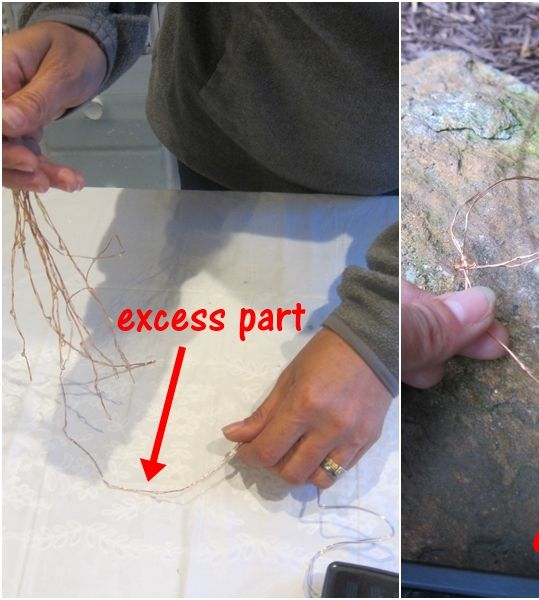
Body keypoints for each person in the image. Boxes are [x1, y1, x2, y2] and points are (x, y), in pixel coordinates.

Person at [3, 3, 508, 488]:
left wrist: (377, 327)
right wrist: (86, 21)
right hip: (223, 127)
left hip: (410, 168)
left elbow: (490, 109)